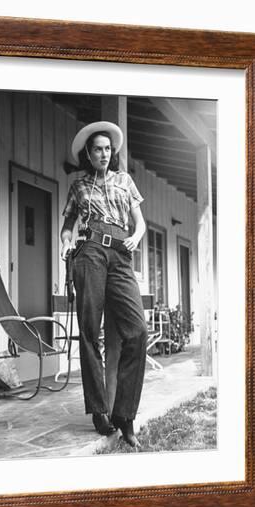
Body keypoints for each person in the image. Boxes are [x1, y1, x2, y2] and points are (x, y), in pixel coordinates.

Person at [60, 121, 148, 447]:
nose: (104, 153)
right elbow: (67, 226)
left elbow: (139, 224)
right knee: (88, 330)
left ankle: (125, 414)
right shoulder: (79, 186)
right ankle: (99, 409)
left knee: (137, 330)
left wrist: (137, 238)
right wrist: (66, 242)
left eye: (108, 149)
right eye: (97, 149)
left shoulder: (125, 181)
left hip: (121, 254)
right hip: (90, 252)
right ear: (89, 153)